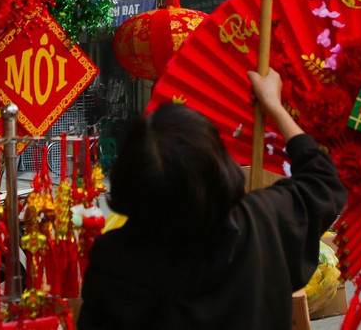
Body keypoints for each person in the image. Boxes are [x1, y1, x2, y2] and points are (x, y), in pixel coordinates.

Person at [78, 69, 346, 330]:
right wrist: (275, 107)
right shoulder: (260, 222)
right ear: (219, 165)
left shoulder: (113, 262)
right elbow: (323, 180)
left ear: (128, 179)